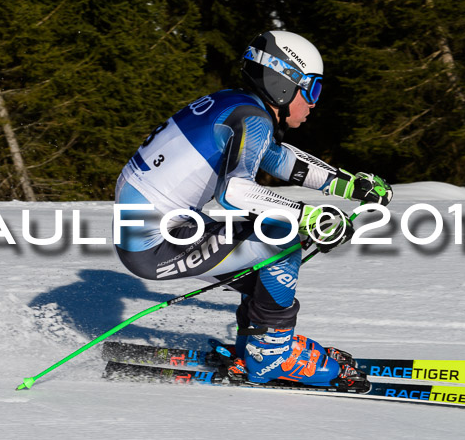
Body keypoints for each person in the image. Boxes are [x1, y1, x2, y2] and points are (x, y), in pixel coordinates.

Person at [113, 30, 392, 389]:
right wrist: (307, 215)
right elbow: (233, 192)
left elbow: (278, 160)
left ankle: (258, 344)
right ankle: (270, 356)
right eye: (313, 90)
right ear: (284, 83)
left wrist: (349, 185)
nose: (314, 103)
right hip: (156, 244)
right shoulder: (254, 119)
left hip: (154, 234)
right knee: (282, 237)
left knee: (264, 260)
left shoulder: (235, 104)